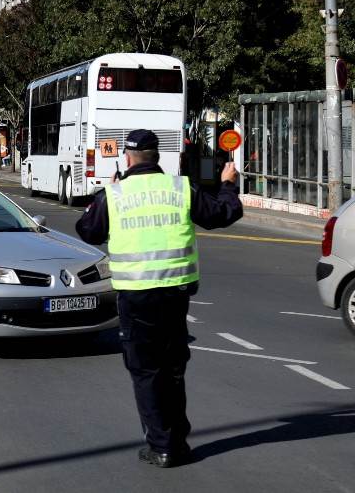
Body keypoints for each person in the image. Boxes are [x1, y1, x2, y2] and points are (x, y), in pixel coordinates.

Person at [75, 129, 242, 468]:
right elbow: (222, 214)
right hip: (175, 293)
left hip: (136, 298)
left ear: (127, 158)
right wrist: (228, 183)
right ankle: (177, 440)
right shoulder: (180, 188)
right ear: (158, 157)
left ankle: (162, 445)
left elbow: (87, 230)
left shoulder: (115, 193)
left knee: (146, 371)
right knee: (173, 368)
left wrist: (108, 190)